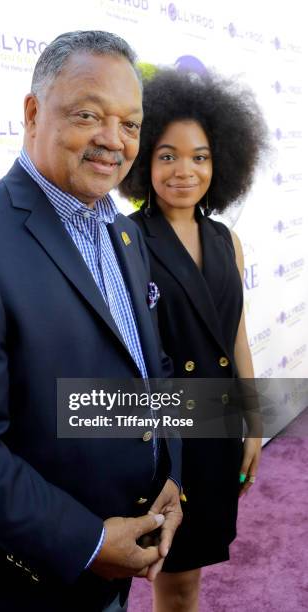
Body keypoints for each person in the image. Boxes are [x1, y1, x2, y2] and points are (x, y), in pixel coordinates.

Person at [0, 32, 183, 612]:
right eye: (88, 115)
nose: (114, 140)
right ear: (32, 113)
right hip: (8, 584)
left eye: (130, 124)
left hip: (111, 571)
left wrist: (170, 474)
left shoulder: (124, 233)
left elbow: (145, 372)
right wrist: (88, 542)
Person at [120, 67, 269, 612]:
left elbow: (238, 337)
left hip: (220, 426)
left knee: (195, 572)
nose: (185, 170)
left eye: (199, 156)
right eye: (167, 155)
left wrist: (254, 422)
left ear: (220, 161)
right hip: (167, 434)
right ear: (143, 160)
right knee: (174, 578)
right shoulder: (126, 239)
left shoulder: (226, 239)